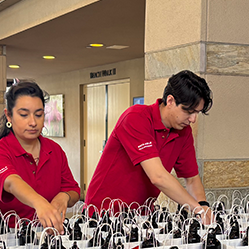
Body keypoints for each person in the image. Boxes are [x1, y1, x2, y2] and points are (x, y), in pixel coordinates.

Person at [85, 70, 213, 216]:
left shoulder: (184, 132)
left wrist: (203, 206)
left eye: (197, 113)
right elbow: (158, 176)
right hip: (103, 213)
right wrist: (196, 208)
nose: (193, 119)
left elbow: (191, 179)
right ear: (170, 101)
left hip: (141, 216)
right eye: (189, 111)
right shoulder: (135, 118)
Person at [0, 81, 81, 232]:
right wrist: (39, 202)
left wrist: (64, 197)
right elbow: (11, 182)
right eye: (24, 115)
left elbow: (74, 190)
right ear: (9, 116)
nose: (33, 122)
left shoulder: (54, 150)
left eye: (39, 114)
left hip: (36, 235)